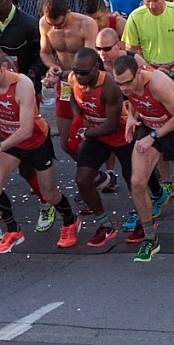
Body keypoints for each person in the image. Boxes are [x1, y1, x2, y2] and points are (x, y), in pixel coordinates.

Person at [0, 47, 80, 254]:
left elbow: (25, 130)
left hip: (35, 142)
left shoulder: (22, 84)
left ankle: (71, 220)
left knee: (49, 194)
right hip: (10, 142)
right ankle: (13, 230)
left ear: (4, 67)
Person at [114, 54, 174, 261]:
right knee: (137, 182)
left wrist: (153, 137)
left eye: (127, 82)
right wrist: (131, 117)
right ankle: (150, 238)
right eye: (119, 84)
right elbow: (134, 98)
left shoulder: (157, 84)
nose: (124, 88)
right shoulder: (128, 85)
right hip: (149, 126)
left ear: (138, 73)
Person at [66, 48, 130, 247]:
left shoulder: (110, 86)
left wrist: (85, 133)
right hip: (97, 134)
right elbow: (72, 98)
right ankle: (105, 226)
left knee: (135, 182)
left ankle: (147, 217)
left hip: (121, 135)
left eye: (84, 73)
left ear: (96, 68)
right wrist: (78, 117)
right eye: (76, 71)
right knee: (83, 180)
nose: (79, 76)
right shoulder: (73, 79)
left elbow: (111, 125)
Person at [39, 0, 98, 157]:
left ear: (68, 13)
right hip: (65, 84)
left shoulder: (86, 24)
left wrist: (60, 75)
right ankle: (89, 170)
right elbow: (45, 52)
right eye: (52, 24)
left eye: (60, 24)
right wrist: (53, 67)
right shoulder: (44, 24)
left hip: (86, 84)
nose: (56, 28)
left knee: (91, 138)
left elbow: (89, 61)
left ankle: (99, 169)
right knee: (66, 144)